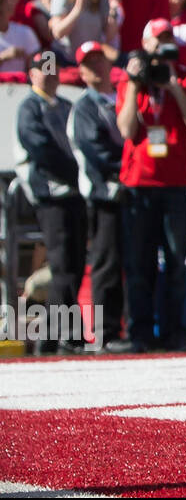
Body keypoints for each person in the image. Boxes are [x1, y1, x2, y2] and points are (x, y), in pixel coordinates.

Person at [116, 20, 186, 351]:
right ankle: (139, 333)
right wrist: (133, 83)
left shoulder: (184, 76)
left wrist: (174, 87)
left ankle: (174, 332)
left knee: (175, 263)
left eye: (169, 40)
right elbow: (126, 129)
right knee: (139, 263)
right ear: (145, 43)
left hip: (175, 186)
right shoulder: (132, 81)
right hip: (140, 183)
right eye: (158, 41)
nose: (163, 47)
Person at [14, 54, 87, 354]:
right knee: (61, 265)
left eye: (53, 70)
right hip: (49, 196)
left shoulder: (68, 107)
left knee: (74, 264)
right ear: (31, 74)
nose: (49, 76)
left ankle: (56, 337)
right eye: (43, 70)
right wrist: (76, 172)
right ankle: (66, 335)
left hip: (75, 194)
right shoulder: (29, 108)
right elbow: (41, 148)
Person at [68, 42, 127, 351]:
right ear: (80, 71)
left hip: (130, 193)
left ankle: (130, 328)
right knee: (106, 262)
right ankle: (106, 332)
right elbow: (97, 151)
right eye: (88, 63)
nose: (96, 67)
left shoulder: (122, 97)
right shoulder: (84, 107)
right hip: (104, 195)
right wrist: (132, 164)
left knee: (132, 261)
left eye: (99, 60)